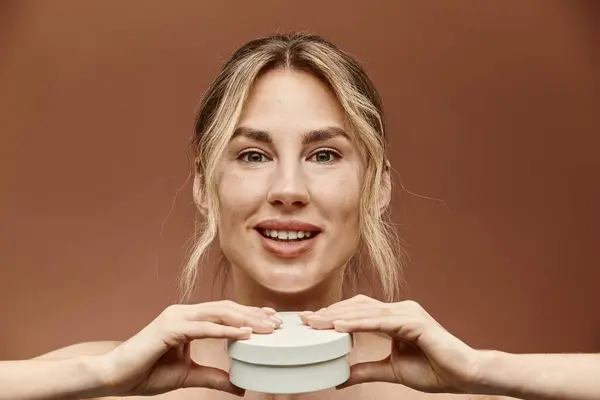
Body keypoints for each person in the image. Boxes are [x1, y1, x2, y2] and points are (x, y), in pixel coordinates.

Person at [1, 32, 599, 400]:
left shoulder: (461, 388)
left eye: (324, 154)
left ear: (379, 186)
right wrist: (100, 378)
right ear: (204, 188)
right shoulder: (100, 381)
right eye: (254, 155)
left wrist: (484, 370)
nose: (288, 189)